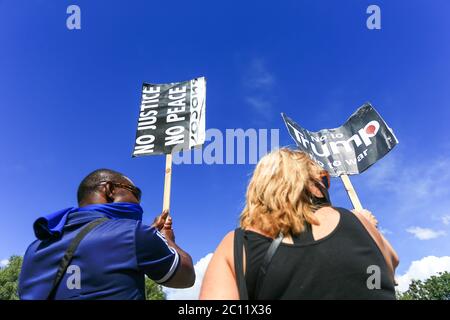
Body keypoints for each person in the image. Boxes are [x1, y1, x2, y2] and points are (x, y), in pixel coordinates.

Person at [200, 148, 399, 300]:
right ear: (313, 184)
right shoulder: (360, 221)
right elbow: (389, 271)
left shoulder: (236, 244)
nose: (326, 185)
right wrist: (368, 226)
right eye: (324, 179)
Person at [19, 169, 195, 300]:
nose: (138, 202)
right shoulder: (133, 233)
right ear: (110, 190)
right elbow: (186, 277)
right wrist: (167, 239)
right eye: (136, 193)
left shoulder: (34, 249)